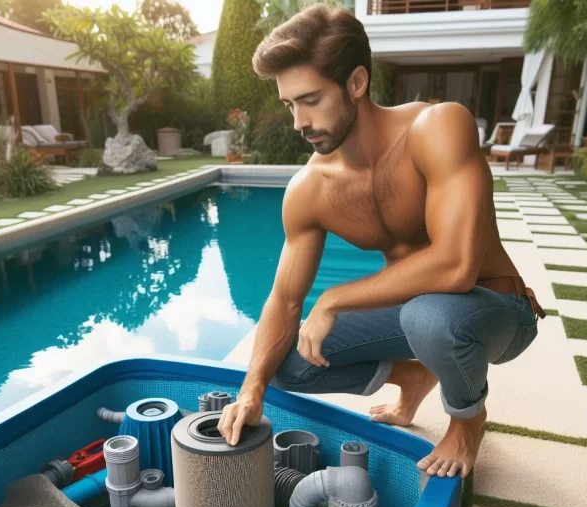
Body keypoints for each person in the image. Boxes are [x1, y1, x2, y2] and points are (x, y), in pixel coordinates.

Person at [217, 4, 545, 479]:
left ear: (356, 83)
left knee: (428, 317)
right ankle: (413, 377)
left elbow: (456, 266)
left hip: (496, 306)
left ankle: (468, 419)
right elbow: (284, 300)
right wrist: (251, 390)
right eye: (291, 104)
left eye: (311, 100)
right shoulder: (310, 190)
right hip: (417, 316)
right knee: (284, 363)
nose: (298, 123)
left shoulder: (437, 128)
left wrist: (334, 298)